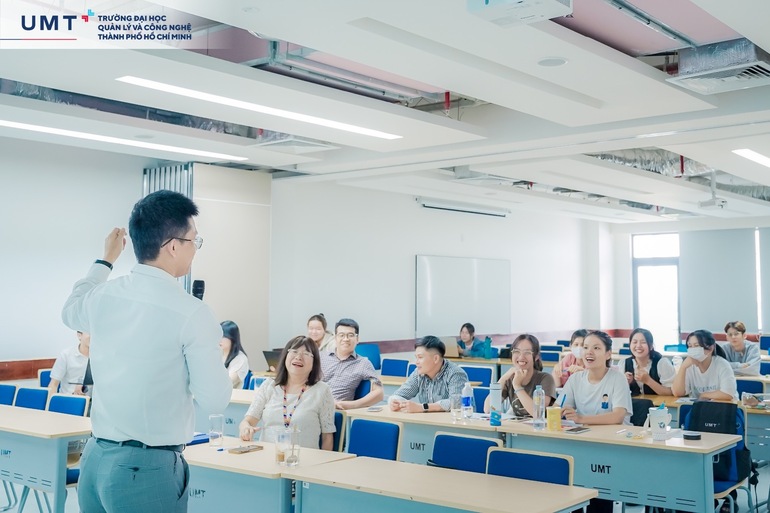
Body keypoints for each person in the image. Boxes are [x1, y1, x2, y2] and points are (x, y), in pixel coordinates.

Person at [61, 190, 232, 513]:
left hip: (95, 458)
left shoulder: (104, 295)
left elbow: (70, 311)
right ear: (173, 246)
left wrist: (106, 259)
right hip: (147, 468)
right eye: (194, 240)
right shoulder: (192, 313)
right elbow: (215, 399)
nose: (195, 248)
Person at [558, 330, 633, 513]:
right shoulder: (575, 379)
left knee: (600, 489)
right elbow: (559, 407)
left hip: (612, 445)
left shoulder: (617, 378)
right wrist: (561, 411)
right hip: (583, 442)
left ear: (608, 354)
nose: (589, 352)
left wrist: (581, 418)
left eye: (596, 348)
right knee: (570, 483)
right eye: (586, 347)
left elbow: (618, 416)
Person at [239, 336, 335, 449]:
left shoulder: (322, 391)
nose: (298, 357)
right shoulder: (269, 386)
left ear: (315, 362)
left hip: (304, 457)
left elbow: (327, 437)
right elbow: (247, 421)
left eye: (306, 354)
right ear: (285, 356)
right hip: (267, 455)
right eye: (294, 351)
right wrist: (245, 428)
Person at [389, 336, 468, 413]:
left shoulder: (456, 373)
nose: (416, 362)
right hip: (427, 420)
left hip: (451, 421)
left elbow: (457, 402)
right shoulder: (419, 373)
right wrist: (394, 402)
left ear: (435, 359)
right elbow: (399, 394)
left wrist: (423, 407)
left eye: (420, 357)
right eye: (416, 357)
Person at [484, 334, 556, 417]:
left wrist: (517, 386)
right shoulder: (509, 378)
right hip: (516, 425)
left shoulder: (545, 379)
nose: (521, 357)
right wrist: (503, 378)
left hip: (540, 424)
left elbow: (538, 413)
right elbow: (488, 409)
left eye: (527, 352)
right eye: (517, 351)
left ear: (536, 357)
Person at [320, 318, 383, 409]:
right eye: (341, 335)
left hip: (334, 410)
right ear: (335, 338)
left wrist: (352, 405)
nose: (346, 339)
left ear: (357, 339)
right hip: (312, 404)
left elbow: (379, 393)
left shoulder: (363, 363)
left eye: (350, 335)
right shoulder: (321, 357)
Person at [672, 329, 738, 401]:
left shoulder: (722, 365)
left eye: (696, 346)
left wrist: (704, 395)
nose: (692, 349)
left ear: (710, 348)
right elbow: (677, 393)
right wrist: (683, 367)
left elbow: (728, 394)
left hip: (724, 406)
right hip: (700, 407)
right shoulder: (689, 366)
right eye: (690, 346)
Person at [623, 328, 675, 396]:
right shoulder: (624, 363)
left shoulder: (662, 363)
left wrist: (648, 381)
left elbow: (671, 392)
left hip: (658, 403)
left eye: (643, 342)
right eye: (635, 342)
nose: (638, 346)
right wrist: (624, 383)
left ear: (651, 346)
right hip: (634, 402)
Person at [49, 331, 91, 396]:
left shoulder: (102, 357)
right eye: (89, 332)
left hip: (93, 400)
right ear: (79, 335)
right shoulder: (66, 355)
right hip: (69, 399)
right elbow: (53, 384)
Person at [220, 320, 250, 388]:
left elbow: (226, 383)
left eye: (223, 336)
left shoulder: (240, 359)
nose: (219, 339)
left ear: (232, 338)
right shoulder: (216, 355)